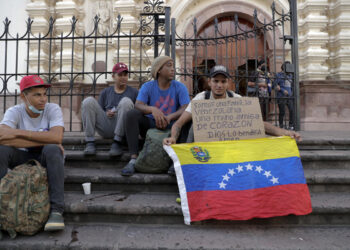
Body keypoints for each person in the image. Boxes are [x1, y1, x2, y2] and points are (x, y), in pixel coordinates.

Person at [163, 65, 301, 146]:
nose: (219, 85)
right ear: (209, 82)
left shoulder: (236, 99)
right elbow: (179, 124)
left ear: (228, 83)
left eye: (223, 82)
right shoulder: (201, 99)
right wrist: (173, 138)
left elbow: (259, 124)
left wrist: (285, 132)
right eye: (216, 81)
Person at [0, 75, 65, 231]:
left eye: (44, 94)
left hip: (46, 157)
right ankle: (2, 210)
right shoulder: (14, 111)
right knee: (2, 149)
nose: (43, 99)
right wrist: (45, 138)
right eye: (37, 95)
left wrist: (17, 134)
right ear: (23, 96)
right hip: (22, 157)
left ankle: (57, 211)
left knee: (52, 149)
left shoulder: (52, 109)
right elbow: (2, 136)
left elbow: (56, 137)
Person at [121, 56, 190, 176]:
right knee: (132, 114)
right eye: (169, 65)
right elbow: (138, 105)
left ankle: (177, 160)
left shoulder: (179, 87)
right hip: (151, 124)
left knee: (188, 119)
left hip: (173, 125)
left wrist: (170, 117)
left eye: (173, 65)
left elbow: (185, 107)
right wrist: (152, 109)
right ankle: (133, 159)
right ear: (158, 70)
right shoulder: (148, 87)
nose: (173, 69)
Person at [81, 62, 138, 156]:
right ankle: (89, 141)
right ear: (113, 76)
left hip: (123, 129)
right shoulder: (106, 92)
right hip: (106, 126)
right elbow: (98, 111)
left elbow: (136, 115)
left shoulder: (134, 92)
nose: (123, 77)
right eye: (120, 75)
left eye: (125, 75)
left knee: (126, 101)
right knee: (88, 101)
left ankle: (117, 142)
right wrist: (106, 113)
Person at [274, 61, 294, 130]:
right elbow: (275, 85)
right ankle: (281, 126)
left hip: (289, 96)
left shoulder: (290, 75)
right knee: (282, 111)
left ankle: (291, 125)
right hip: (281, 96)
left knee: (292, 110)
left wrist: (292, 92)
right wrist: (282, 90)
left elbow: (292, 85)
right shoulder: (279, 75)